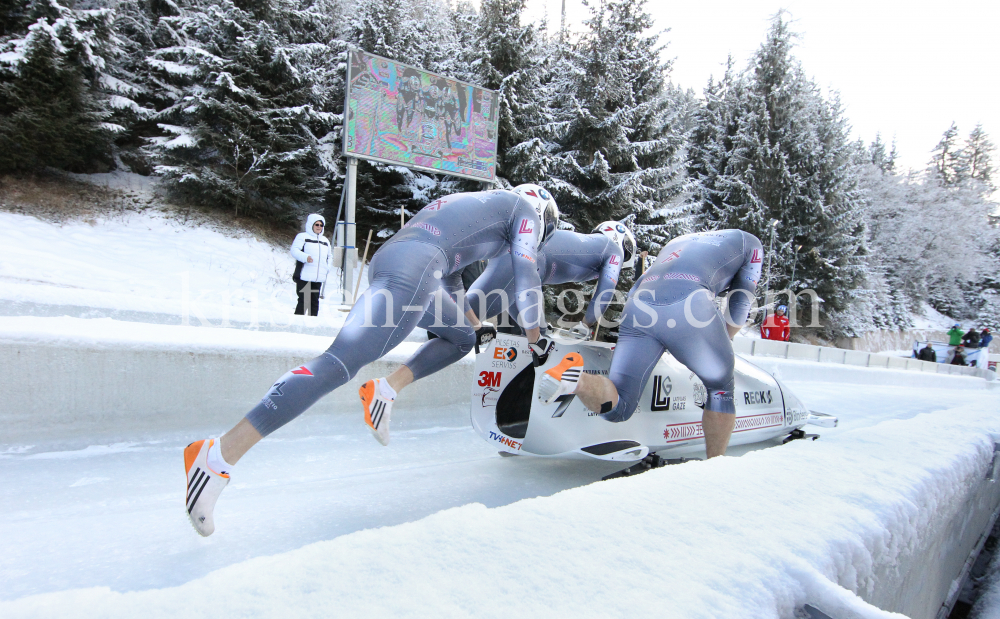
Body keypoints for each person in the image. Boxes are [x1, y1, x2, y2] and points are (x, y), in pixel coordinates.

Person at [183, 185, 560, 536]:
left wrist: (476, 326)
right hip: (419, 266)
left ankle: (385, 390)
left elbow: (454, 280)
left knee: (460, 337)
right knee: (339, 362)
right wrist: (537, 338)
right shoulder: (525, 209)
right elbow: (526, 271)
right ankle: (217, 455)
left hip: (404, 258)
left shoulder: (484, 203)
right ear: (543, 214)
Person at [537, 229, 763, 460]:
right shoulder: (749, 241)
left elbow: (640, 284)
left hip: (638, 306)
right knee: (720, 388)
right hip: (689, 303)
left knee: (620, 407)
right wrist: (721, 343)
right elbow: (739, 307)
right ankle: (714, 466)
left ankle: (576, 379)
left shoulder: (677, 240)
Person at [466, 221, 637, 339]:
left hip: (525, 262)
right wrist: (585, 325)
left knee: (538, 337)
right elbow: (605, 292)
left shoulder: (595, 245)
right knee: (460, 320)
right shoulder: (614, 251)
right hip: (527, 259)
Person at [290, 214, 332, 316]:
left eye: (321, 225)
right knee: (303, 300)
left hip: (318, 277)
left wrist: (327, 268)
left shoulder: (325, 241)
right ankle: (297, 324)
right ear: (311, 225)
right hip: (304, 275)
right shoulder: (303, 237)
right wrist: (305, 257)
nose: (319, 227)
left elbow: (330, 256)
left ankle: (312, 325)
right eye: (316, 224)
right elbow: (294, 250)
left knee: (314, 301)